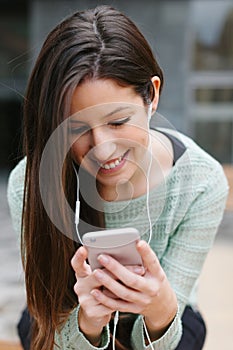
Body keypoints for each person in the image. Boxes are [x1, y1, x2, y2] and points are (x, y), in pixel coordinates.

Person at [7, 5, 229, 350]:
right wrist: (90, 324)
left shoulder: (201, 181)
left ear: (152, 96)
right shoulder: (30, 181)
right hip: (67, 312)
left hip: (168, 314)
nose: (104, 150)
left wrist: (156, 306)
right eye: (77, 128)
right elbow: (52, 320)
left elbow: (168, 332)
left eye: (117, 121)